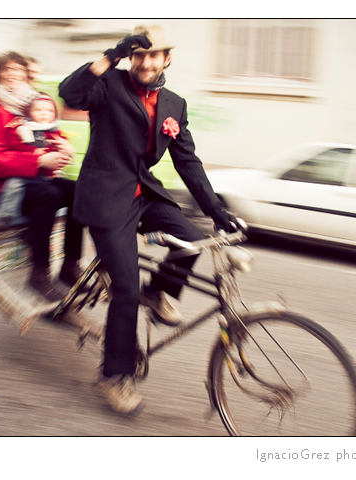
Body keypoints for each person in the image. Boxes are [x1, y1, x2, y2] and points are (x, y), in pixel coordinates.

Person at [59, 24, 240, 414]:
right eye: (138, 54)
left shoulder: (174, 104)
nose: (145, 62)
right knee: (125, 289)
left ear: (166, 59)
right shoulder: (109, 85)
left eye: (152, 55)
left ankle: (158, 292)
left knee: (191, 237)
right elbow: (69, 93)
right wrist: (112, 54)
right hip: (106, 199)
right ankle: (114, 377)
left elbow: (188, 163)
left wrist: (218, 213)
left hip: (144, 194)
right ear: (132, 57)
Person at [0, 52, 84, 302]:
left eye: (18, 70)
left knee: (78, 191)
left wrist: (61, 149)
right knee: (48, 196)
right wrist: (38, 160)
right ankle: (39, 274)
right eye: (7, 70)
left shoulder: (32, 105)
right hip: (2, 188)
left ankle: (70, 265)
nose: (13, 75)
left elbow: (50, 134)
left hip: (35, 179)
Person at [0, 93, 75, 224]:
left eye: (49, 110)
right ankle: (6, 213)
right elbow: (15, 145)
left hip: (44, 175)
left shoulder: (54, 131)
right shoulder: (22, 129)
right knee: (13, 185)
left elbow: (61, 145)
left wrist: (67, 150)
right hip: (25, 173)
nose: (44, 114)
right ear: (29, 113)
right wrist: (33, 152)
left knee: (69, 187)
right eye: (38, 110)